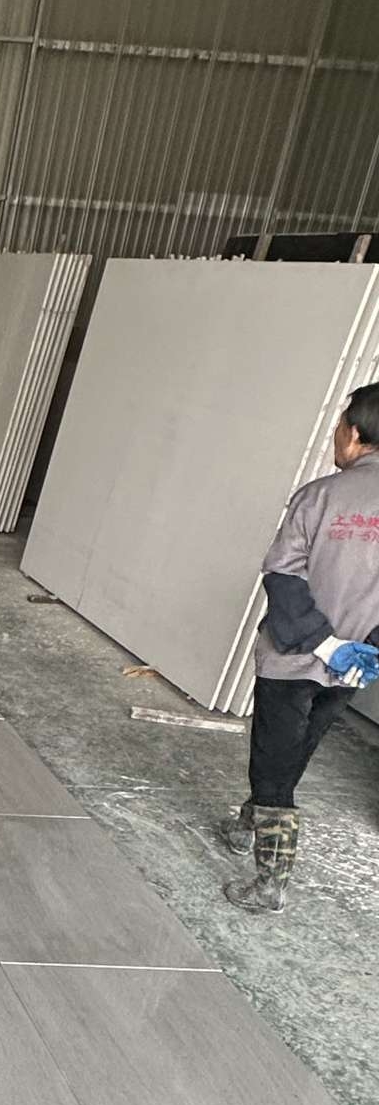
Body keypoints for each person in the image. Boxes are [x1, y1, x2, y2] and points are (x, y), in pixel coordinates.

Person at [219, 382, 379, 912]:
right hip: (355, 665)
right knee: (297, 749)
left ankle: (270, 886)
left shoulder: (321, 496)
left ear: (353, 433)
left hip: (293, 658)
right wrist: (366, 649)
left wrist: (323, 644)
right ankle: (245, 826)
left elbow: (283, 575)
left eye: (340, 424)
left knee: (273, 763)